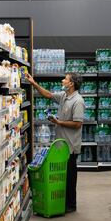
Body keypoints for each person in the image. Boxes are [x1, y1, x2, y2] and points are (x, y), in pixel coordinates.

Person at [26, 72, 84, 213]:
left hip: (70, 146)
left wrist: (59, 122)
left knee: (70, 177)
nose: (62, 80)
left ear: (71, 84)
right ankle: (63, 202)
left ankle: (71, 205)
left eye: (65, 79)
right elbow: (48, 95)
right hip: (61, 145)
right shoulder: (64, 96)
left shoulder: (78, 101)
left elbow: (77, 124)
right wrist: (33, 83)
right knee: (62, 176)